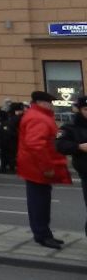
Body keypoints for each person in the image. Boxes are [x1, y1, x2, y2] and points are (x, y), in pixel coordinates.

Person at [18, 91, 70, 248]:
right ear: (41, 102)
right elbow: (36, 145)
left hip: (34, 166)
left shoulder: (36, 115)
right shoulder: (38, 117)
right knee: (39, 203)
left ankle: (43, 233)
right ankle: (42, 235)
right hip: (37, 168)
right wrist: (47, 167)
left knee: (40, 201)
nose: (51, 105)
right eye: (49, 102)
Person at [54, 95, 87, 237]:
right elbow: (59, 144)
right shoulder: (71, 127)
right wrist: (78, 146)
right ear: (79, 110)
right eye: (86, 109)